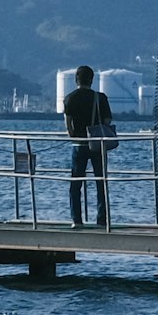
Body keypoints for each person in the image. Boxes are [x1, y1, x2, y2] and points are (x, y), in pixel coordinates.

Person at [62, 64, 117, 226]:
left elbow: (68, 125)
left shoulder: (70, 98)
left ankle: (76, 219)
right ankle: (102, 219)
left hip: (79, 145)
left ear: (76, 80)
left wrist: (75, 135)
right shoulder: (100, 98)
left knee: (75, 184)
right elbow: (107, 120)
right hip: (98, 144)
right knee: (101, 181)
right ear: (92, 80)